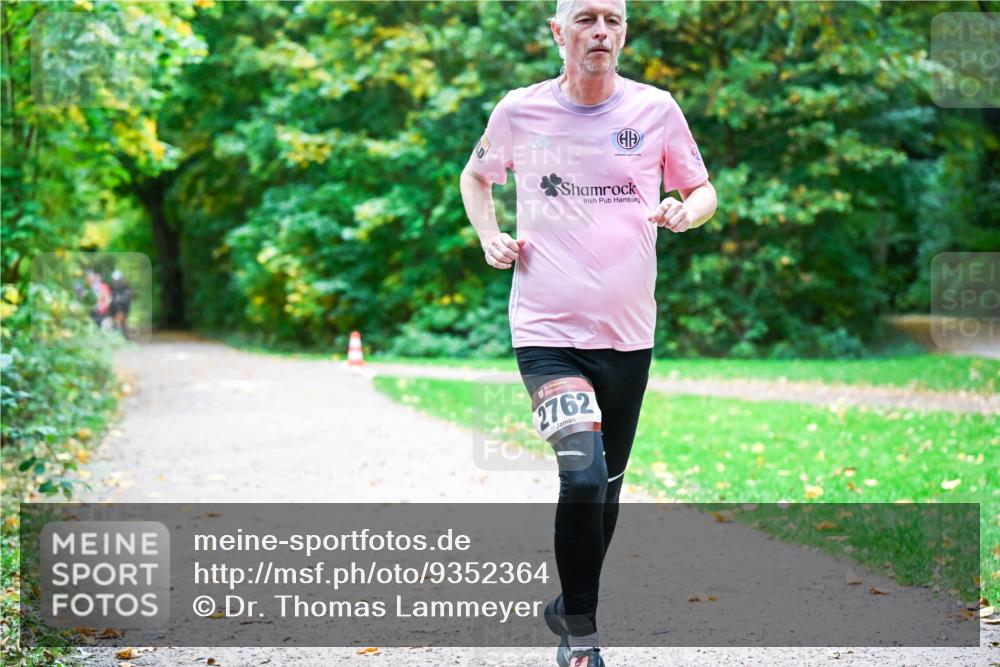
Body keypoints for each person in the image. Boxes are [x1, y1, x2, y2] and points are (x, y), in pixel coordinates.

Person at [459, 1, 718, 665]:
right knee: (582, 475)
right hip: (546, 330)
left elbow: (703, 188)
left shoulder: (655, 110)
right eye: (585, 19)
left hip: (629, 336)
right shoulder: (520, 110)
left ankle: (566, 601)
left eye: (612, 19)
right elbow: (477, 175)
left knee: (607, 482)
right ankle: (582, 635)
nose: (600, 31)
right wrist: (490, 235)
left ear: (624, 33)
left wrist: (686, 212)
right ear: (558, 31)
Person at [109, 270, 133, 338]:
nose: (116, 281)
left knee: (123, 321)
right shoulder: (112, 288)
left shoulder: (126, 287)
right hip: (115, 308)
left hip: (124, 307)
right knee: (116, 321)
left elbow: (128, 298)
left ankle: (123, 335)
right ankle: (117, 335)